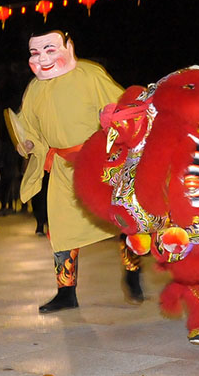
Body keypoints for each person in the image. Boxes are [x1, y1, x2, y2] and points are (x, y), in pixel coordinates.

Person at [14, 29, 144, 312]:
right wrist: (27, 142)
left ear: (68, 46)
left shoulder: (89, 75)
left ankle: (132, 272)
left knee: (122, 219)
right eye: (35, 52)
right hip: (61, 167)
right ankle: (66, 292)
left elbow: (121, 107)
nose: (43, 58)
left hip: (97, 161)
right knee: (60, 230)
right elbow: (28, 126)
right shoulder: (35, 88)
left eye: (50, 49)